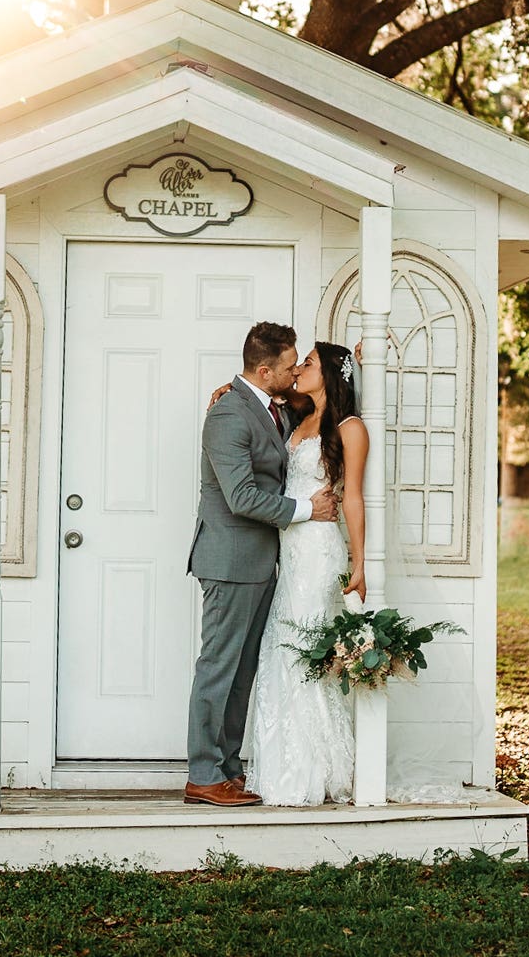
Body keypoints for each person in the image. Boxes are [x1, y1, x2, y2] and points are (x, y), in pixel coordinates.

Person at [183, 322, 337, 808]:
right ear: (265, 369)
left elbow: (325, 399)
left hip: (264, 562)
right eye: (289, 367)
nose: (295, 375)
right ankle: (203, 774)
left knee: (242, 670)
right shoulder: (229, 413)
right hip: (229, 560)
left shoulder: (270, 407)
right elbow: (243, 497)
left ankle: (228, 770)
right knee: (219, 667)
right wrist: (310, 510)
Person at [244, 340, 369, 805]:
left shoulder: (351, 428)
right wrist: (227, 389)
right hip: (288, 552)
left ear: (331, 374)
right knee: (281, 650)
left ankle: (314, 772)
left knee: (306, 655)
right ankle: (282, 767)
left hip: (318, 554)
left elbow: (351, 497)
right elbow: (262, 392)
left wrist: (358, 562)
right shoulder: (299, 417)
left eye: (308, 363)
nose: (298, 370)